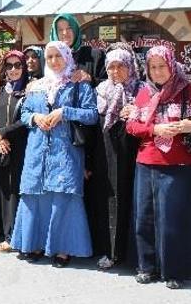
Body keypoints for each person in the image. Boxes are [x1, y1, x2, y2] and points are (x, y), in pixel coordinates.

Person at [12, 41, 97, 268]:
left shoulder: (78, 84)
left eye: (57, 56)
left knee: (62, 198)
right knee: (35, 197)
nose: (53, 61)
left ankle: (63, 248)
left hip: (65, 153)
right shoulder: (37, 86)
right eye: (49, 57)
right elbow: (25, 113)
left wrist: (64, 112)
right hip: (37, 151)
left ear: (67, 57)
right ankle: (35, 244)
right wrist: (35, 118)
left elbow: (92, 115)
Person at [126, 46, 191, 289]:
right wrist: (154, 129)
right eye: (153, 67)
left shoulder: (186, 90)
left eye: (161, 66)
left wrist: (186, 126)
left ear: (171, 65)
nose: (157, 71)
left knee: (173, 219)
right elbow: (132, 126)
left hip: (178, 163)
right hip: (146, 162)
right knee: (145, 217)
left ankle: (174, 271)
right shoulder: (144, 92)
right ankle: (147, 267)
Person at [90, 48, 142, 270]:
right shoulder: (99, 91)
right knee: (107, 201)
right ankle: (109, 251)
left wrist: (137, 111)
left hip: (133, 158)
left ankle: (129, 253)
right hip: (105, 157)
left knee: (131, 202)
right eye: (110, 66)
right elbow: (91, 129)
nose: (115, 70)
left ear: (130, 67)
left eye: (120, 65)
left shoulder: (141, 91)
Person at [0, 51, 29, 252]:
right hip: (2, 147)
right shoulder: (0, 91)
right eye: (10, 66)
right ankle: (6, 233)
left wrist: (3, 133)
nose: (13, 70)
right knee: (3, 190)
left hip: (21, 148)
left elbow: (26, 120)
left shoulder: (30, 90)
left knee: (16, 192)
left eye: (18, 65)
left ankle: (15, 236)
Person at [50, 13, 106, 85]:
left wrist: (91, 79)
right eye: (60, 30)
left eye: (69, 28)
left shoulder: (95, 55)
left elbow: (110, 85)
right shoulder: (51, 58)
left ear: (75, 30)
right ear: (55, 34)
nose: (65, 33)